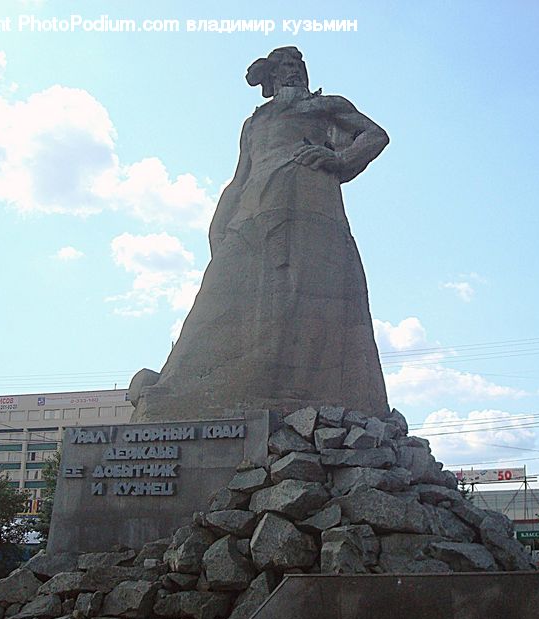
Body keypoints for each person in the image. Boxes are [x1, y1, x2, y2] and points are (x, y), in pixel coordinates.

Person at [130, 47, 391, 422]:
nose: (294, 73)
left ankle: (307, 403)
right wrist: (219, 222)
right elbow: (239, 179)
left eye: (298, 66)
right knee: (218, 295)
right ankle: (179, 383)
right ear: (269, 79)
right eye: (286, 67)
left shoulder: (324, 107)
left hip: (310, 212)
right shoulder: (254, 124)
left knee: (305, 298)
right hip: (252, 213)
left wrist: (341, 160)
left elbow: (375, 135)